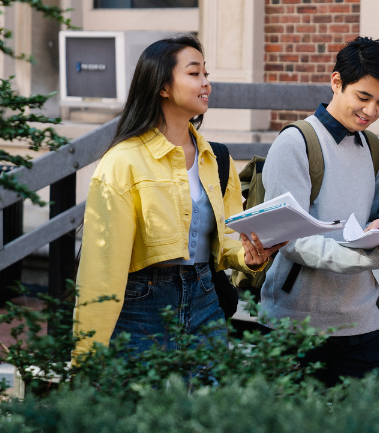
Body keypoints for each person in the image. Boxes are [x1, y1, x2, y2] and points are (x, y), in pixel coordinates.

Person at [72, 35, 282, 361]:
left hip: (205, 299)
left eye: (206, 74)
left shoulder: (215, 158)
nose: (206, 83)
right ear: (163, 87)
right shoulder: (123, 161)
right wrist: (86, 355)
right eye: (194, 73)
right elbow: (102, 268)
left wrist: (249, 256)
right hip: (141, 303)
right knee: (140, 409)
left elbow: (226, 237)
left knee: (204, 409)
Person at [259, 36, 379, 386]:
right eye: (363, 98)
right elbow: (290, 240)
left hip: (361, 321)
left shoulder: (373, 148)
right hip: (295, 324)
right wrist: (370, 257)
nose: (371, 111)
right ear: (336, 82)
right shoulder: (296, 142)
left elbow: (365, 222)